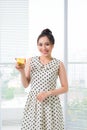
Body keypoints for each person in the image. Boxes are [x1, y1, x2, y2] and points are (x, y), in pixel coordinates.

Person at [15, 28, 68, 130]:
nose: (43, 48)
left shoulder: (58, 64)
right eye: (40, 44)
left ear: (52, 45)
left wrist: (47, 93)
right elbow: (26, 84)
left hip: (51, 104)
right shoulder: (31, 61)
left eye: (47, 44)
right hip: (35, 104)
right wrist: (21, 71)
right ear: (37, 45)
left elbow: (65, 88)